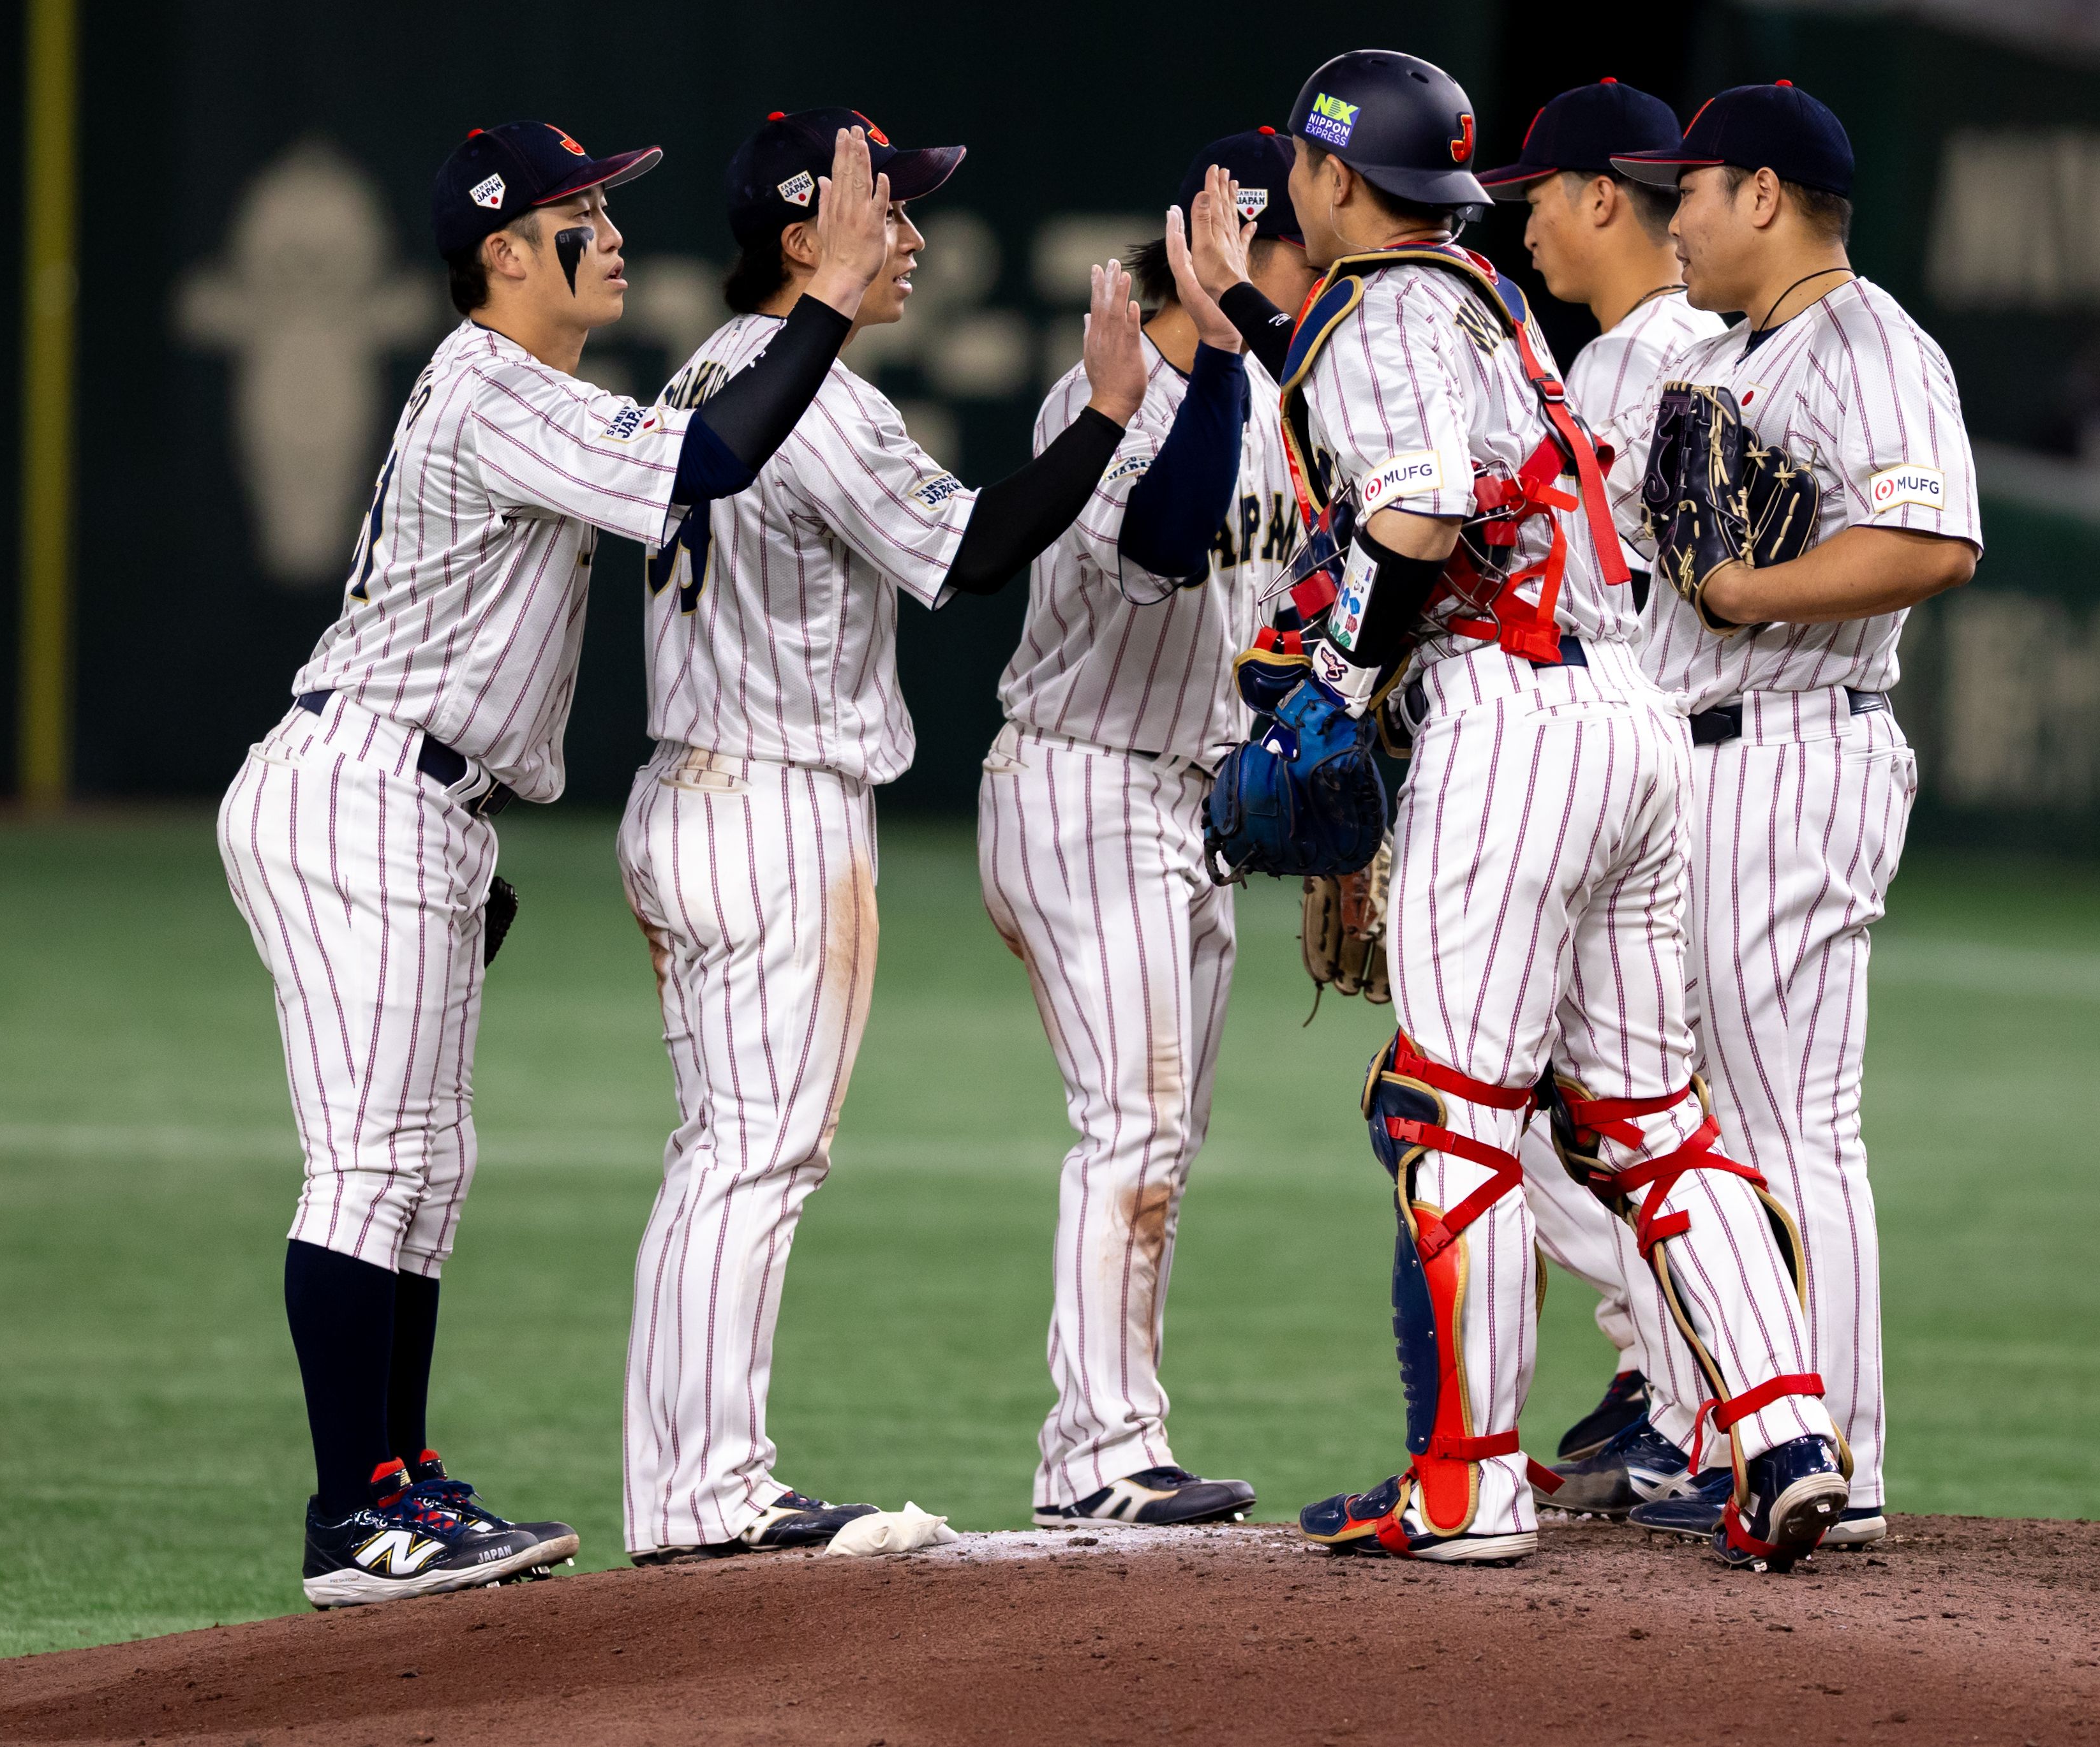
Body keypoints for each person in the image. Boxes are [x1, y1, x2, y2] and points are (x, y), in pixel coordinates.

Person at [219, 119, 888, 1607]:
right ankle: (356, 1521)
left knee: (425, 1171)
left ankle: (399, 1483)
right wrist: (829, 295)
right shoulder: (490, 384)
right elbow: (712, 458)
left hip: (419, 801)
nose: (612, 231)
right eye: (579, 213)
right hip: (365, 787)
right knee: (374, 1165)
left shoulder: (530, 392)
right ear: (504, 254)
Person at [1210, 49, 1846, 1568]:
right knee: (1650, 1115)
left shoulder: (1373, 309)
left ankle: (1466, 1481)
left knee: (1455, 1111)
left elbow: (1420, 497)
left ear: (1336, 177)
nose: (1295, 177)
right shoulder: (1489, 297)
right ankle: (1785, 1431)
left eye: (1305, 156)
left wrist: (1344, 685)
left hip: (1511, 725)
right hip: (1629, 718)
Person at [618, 108, 1151, 1561]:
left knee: (720, 1152)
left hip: (688, 790)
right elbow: (974, 554)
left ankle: (684, 1487)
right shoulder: (821, 399)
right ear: (804, 237)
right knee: (757, 1159)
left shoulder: (710, 372)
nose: (913, 236)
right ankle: (709, 1492)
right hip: (777, 806)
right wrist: (1107, 419)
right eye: (887, 211)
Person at [1602, 79, 1985, 1550]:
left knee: (1792, 1121)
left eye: (1689, 188)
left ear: (1763, 195)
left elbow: (1936, 540)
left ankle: (1844, 1450)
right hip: (1697, 753)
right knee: (1697, 1119)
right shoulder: (1735, 353)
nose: (1673, 217)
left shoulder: (1869, 339)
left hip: (1794, 752)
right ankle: (1739, 1437)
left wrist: (1750, 589)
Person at [979, 134, 1320, 1528]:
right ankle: (1097, 1452)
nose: (1315, 263)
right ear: (1216, 241)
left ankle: (1124, 1435)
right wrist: (1231, 343)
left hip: (1193, 800)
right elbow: (1166, 543)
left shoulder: (1285, 394)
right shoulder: (1106, 387)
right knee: (1133, 1119)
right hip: (1077, 782)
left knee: (1162, 1136)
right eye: (1290, 238)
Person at [1475, 79, 1739, 1517]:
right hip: (1622, 765)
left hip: (1667, 773)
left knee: (1618, 1108)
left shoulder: (1686, 357)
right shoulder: (1603, 364)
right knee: (1546, 1108)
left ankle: (1697, 1398)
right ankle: (1662, 1367)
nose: (1520, 222)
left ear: (1598, 197)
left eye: (1535, 195)